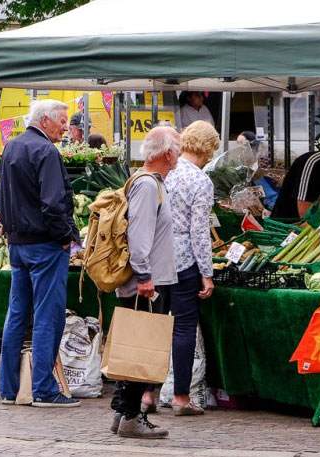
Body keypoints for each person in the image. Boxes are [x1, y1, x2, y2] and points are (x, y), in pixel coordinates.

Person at [0, 99, 81, 408]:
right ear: (45, 121)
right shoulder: (46, 151)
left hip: (18, 244)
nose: (66, 127)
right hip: (45, 245)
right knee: (48, 315)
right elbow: (54, 202)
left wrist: (11, 229)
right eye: (62, 121)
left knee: (17, 314)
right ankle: (44, 389)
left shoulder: (12, 147)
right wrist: (63, 236)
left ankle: (8, 388)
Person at [108, 127, 180, 440]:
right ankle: (130, 417)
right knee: (141, 349)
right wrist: (145, 275)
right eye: (176, 147)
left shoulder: (148, 182)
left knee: (136, 345)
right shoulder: (149, 186)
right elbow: (139, 233)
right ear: (167, 153)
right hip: (147, 282)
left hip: (148, 279)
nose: (178, 152)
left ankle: (122, 412)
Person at [155, 121, 217, 416]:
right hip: (184, 262)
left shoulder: (161, 172)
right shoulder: (200, 181)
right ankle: (181, 397)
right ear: (208, 148)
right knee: (183, 328)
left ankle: (145, 394)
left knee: (154, 326)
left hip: (155, 259)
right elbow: (199, 232)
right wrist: (207, 272)